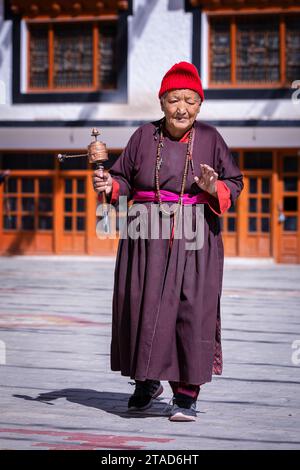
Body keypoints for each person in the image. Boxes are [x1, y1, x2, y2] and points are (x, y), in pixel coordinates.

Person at [92, 62, 244, 422]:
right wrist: (111, 188)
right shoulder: (144, 137)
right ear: (162, 102)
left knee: (191, 310)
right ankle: (146, 382)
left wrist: (213, 187)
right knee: (143, 306)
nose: (182, 108)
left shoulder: (211, 138)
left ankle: (186, 394)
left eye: (190, 100)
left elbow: (234, 184)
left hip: (195, 242)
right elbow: (123, 180)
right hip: (145, 238)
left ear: (200, 104)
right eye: (174, 99)